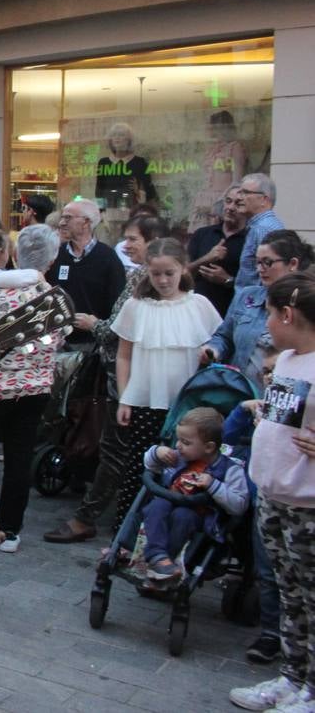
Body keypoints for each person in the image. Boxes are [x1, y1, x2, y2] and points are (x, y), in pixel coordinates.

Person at [45, 214, 165, 543]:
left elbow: (117, 328)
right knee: (120, 448)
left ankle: (92, 517)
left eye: (134, 238)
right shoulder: (137, 275)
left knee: (116, 449)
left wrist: (93, 325)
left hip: (131, 379)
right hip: (122, 376)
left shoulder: (144, 279)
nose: (127, 244)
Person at [229, 271, 315, 712]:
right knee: (288, 592)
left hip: (307, 504)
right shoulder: (285, 359)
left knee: (311, 595)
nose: (265, 327)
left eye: (269, 315)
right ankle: (293, 676)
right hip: (274, 495)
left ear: (287, 314)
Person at [0, 224, 62, 554]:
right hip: (34, 389)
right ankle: (10, 530)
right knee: (19, 457)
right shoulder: (52, 297)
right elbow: (60, 339)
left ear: (16, 254)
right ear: (53, 258)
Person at [107, 239, 221, 534]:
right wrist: (124, 397)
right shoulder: (136, 306)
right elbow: (124, 355)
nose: (163, 280)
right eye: (156, 274)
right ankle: (128, 534)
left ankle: (175, 537)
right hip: (145, 400)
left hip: (188, 405)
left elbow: (217, 347)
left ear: (182, 269)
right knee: (140, 469)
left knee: (188, 469)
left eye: (169, 273)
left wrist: (209, 354)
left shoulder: (199, 305)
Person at [222, 342, 284, 664]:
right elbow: (225, 442)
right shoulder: (255, 408)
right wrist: (241, 410)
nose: (272, 378)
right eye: (267, 372)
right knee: (265, 568)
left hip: (282, 490)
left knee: (278, 569)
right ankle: (271, 634)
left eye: (277, 371)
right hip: (254, 492)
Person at [138, 407, 247, 582]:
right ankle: (157, 556)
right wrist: (157, 452)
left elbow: (239, 505)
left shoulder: (229, 470)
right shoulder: (177, 457)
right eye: (178, 440)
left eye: (186, 442)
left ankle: (168, 562)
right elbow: (151, 466)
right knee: (159, 503)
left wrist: (214, 485)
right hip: (165, 507)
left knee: (184, 515)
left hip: (198, 518)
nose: (178, 446)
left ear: (209, 447)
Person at [203, 230, 313, 384]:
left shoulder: (305, 305)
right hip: (236, 389)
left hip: (276, 396)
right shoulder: (247, 296)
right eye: (258, 262)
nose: (260, 269)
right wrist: (213, 350)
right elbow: (224, 336)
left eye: (267, 262)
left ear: (293, 264)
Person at [49, 198, 126, 347]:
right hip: (57, 343)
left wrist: (96, 325)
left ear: (86, 222)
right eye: (62, 217)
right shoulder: (55, 255)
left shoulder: (108, 258)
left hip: (93, 345)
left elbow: (118, 306)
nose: (61, 223)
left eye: (68, 218)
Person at [188, 184, 249, 316]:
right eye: (228, 201)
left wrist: (228, 280)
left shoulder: (250, 240)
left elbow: (254, 286)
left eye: (238, 203)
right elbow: (182, 273)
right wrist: (207, 258)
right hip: (197, 315)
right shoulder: (202, 234)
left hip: (231, 316)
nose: (231, 208)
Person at [190, 109, 247, 234]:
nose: (212, 130)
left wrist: (222, 202)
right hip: (205, 196)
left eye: (215, 127)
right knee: (201, 235)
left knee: (218, 233)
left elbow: (237, 180)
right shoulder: (212, 148)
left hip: (222, 197)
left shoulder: (235, 148)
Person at [235, 172, 284, 290]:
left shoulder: (263, 228)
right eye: (240, 192)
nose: (238, 198)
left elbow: (272, 274)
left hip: (255, 304)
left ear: (264, 199)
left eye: (245, 193)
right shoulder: (260, 226)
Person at [95, 122, 157, 212]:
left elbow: (150, 193)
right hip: (110, 212)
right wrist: (101, 213)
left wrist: (138, 191)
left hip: (134, 211)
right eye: (114, 135)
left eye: (121, 135)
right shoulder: (104, 163)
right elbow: (99, 192)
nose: (117, 138)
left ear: (129, 140)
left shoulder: (140, 162)